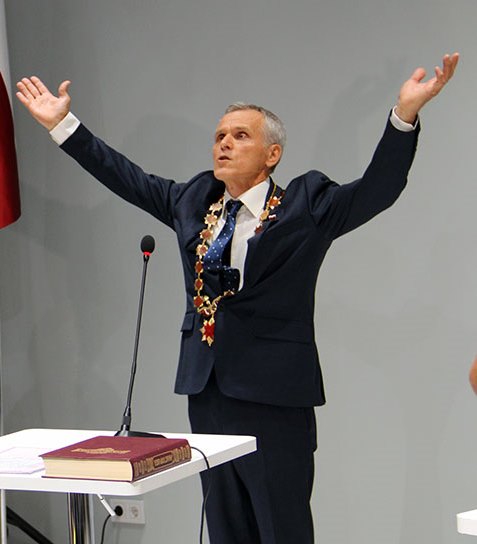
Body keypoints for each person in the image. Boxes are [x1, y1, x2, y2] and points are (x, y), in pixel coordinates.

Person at [16, 52, 459, 544]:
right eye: (220, 136)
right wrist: (64, 126)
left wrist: (404, 115)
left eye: (241, 135)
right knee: (225, 526)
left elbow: (379, 188)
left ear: (272, 154)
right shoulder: (192, 202)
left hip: (275, 395)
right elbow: (125, 176)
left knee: (280, 527)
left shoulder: (307, 206)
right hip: (208, 392)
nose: (224, 143)